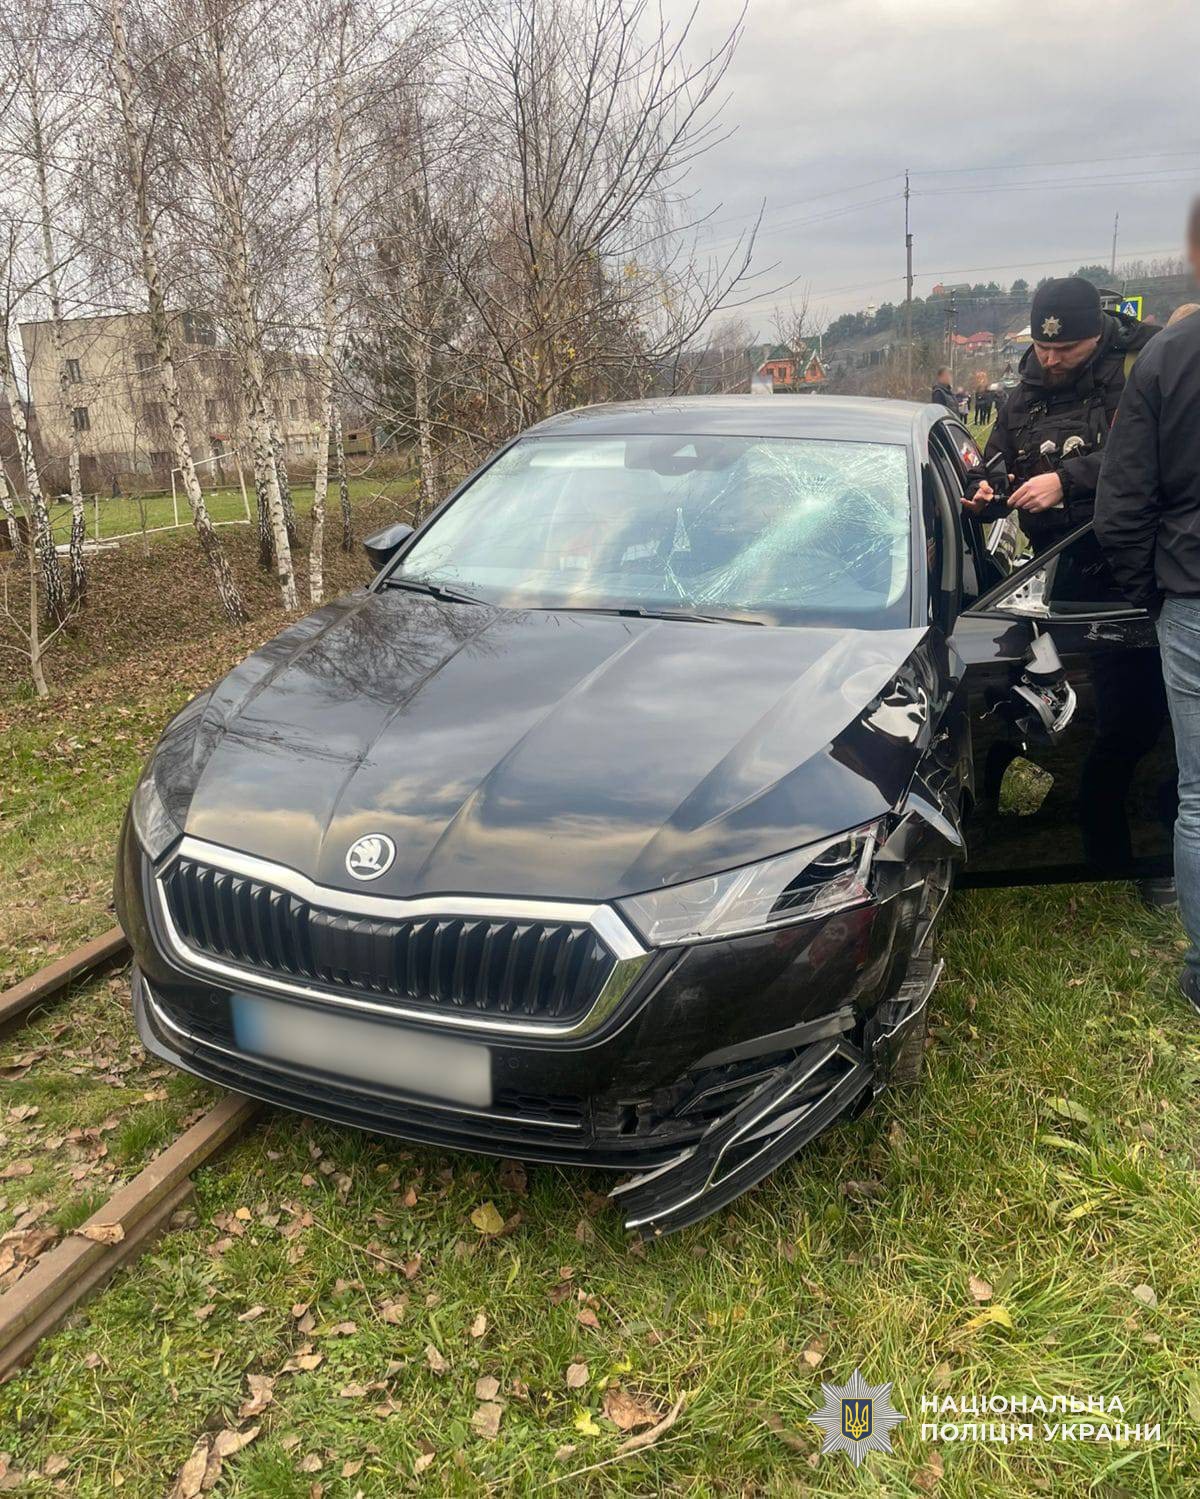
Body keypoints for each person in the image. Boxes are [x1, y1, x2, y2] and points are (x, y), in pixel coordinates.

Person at [1095, 198, 1200, 1012]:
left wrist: (1155, 593)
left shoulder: (1166, 358)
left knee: (1199, 795)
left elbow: (1120, 509)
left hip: (1192, 594)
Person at [963, 276, 1159, 555]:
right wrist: (981, 491)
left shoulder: (1142, 371)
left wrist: (1065, 481)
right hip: (1053, 560)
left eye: (1066, 349)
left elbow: (1156, 453)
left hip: (1140, 561)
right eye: (1042, 347)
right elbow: (993, 463)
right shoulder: (1025, 394)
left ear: (1096, 336)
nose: (1051, 360)